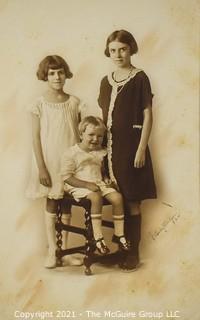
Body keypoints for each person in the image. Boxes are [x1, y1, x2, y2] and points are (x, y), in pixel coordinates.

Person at [98, 30, 157, 270]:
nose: (118, 54)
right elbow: (104, 117)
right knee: (116, 199)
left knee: (132, 200)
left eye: (122, 49)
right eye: (113, 50)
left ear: (131, 49)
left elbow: (147, 113)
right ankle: (120, 250)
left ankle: (133, 253)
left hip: (132, 148)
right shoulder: (105, 80)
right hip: (110, 149)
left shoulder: (140, 78)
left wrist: (141, 148)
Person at [26, 55, 84, 268]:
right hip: (49, 162)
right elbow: (35, 138)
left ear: (65, 73)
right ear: (45, 76)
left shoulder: (74, 102)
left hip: (69, 162)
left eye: (60, 72)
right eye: (52, 73)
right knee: (52, 201)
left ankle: (65, 251)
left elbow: (78, 136)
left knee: (67, 203)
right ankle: (52, 250)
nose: (57, 77)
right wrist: (41, 167)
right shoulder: (38, 104)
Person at [60, 116, 129, 255]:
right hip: (79, 184)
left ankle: (119, 234)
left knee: (117, 198)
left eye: (99, 136)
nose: (95, 139)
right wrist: (86, 184)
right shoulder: (72, 153)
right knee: (96, 197)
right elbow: (67, 177)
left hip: (98, 183)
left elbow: (102, 171)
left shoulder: (101, 152)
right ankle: (98, 238)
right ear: (81, 134)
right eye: (91, 135)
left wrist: (106, 179)